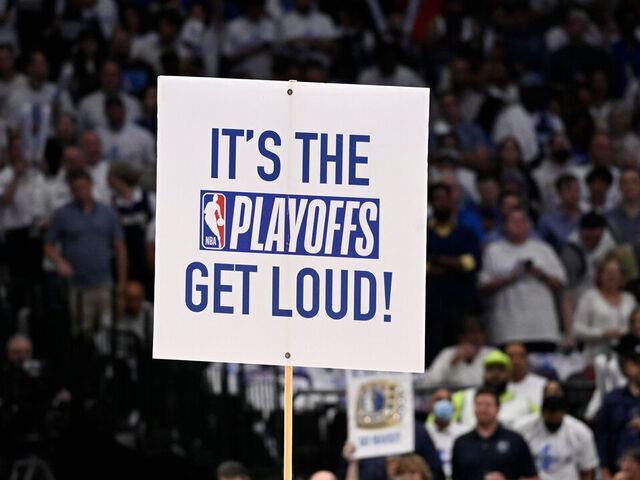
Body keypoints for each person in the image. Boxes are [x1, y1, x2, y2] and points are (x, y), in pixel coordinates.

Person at [44, 169, 127, 337]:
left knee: (109, 333)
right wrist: (60, 262)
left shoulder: (107, 213)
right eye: (76, 189)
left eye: (83, 187)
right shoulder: (63, 214)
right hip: (78, 286)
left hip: (104, 283)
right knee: (82, 335)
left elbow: (120, 248)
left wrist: (122, 282)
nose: (80, 192)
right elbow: (48, 246)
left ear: (90, 186)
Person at [479, 208, 566, 349]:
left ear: (528, 225)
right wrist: (511, 277)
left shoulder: (544, 249)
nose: (518, 225)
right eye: (514, 221)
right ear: (505, 225)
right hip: (507, 331)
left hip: (542, 329)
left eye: (522, 221)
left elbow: (561, 284)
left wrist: (540, 274)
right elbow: (483, 287)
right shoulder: (493, 250)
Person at [426, 183, 481, 364]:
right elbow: (418, 266)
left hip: (462, 306)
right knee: (432, 356)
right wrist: (455, 263)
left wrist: (437, 260)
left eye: (445, 198)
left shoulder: (466, 234)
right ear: (430, 203)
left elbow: (472, 263)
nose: (441, 203)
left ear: (452, 201)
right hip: (430, 307)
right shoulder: (422, 234)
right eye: (437, 199)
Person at [513, 381, 598, 480]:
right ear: (542, 412)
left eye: (556, 414)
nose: (552, 417)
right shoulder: (522, 428)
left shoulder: (581, 432)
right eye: (549, 414)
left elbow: (587, 471)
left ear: (563, 412)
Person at [451, 387, 539, 480]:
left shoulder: (515, 440)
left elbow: (533, 477)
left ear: (497, 408)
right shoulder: (461, 443)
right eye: (479, 404)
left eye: (488, 405)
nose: (483, 409)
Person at [573, 255, 637, 364]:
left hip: (626, 359)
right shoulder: (590, 297)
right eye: (608, 272)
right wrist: (602, 333)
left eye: (616, 273)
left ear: (622, 276)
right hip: (595, 358)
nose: (612, 277)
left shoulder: (629, 299)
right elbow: (577, 329)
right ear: (600, 275)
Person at [452, 351, 535, 428]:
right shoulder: (463, 397)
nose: (495, 373)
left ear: (509, 374)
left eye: (500, 369)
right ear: (484, 373)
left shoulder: (525, 403)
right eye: (490, 368)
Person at [598, 335, 640, 479]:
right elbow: (603, 437)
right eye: (635, 362)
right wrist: (604, 470)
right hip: (619, 470)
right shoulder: (613, 399)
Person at [420, 317, 496, 389]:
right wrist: (453, 361)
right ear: (461, 338)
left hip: (482, 397)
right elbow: (430, 380)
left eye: (478, 335)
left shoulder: (492, 354)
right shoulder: (448, 354)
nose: (475, 339)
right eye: (471, 338)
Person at [78, 60, 142, 131]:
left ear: (120, 77)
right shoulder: (86, 104)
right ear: (100, 77)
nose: (110, 79)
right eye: (106, 74)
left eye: (113, 74)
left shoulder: (134, 104)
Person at [96, 95, 155, 170]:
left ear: (123, 110)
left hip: (137, 179)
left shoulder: (143, 136)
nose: (114, 112)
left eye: (117, 108)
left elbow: (152, 164)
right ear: (105, 112)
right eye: (111, 109)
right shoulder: (96, 135)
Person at [425, 388, 468, 479]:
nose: (444, 403)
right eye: (439, 400)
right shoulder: (423, 432)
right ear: (430, 406)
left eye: (448, 400)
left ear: (454, 407)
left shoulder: (465, 432)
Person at [537, 174, 582, 252]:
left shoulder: (588, 216)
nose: (574, 194)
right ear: (559, 192)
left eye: (576, 190)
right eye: (568, 190)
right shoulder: (547, 221)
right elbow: (540, 246)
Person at [608, 168, 640, 262]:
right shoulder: (609, 217)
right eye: (624, 182)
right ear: (619, 187)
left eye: (634, 181)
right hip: (619, 267)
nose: (629, 186)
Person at [505, 343, 547, 410]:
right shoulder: (497, 386)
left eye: (521, 356)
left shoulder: (542, 385)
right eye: (511, 356)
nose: (516, 361)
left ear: (527, 361)